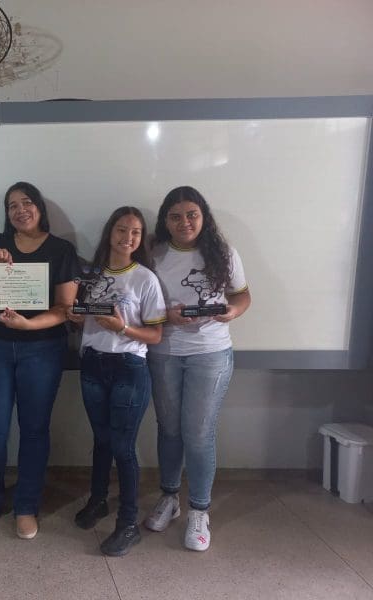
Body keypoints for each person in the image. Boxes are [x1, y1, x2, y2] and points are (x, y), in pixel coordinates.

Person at [0, 181, 79, 540]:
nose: (20, 210)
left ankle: (27, 505)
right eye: (12, 205)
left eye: (26, 202)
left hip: (43, 349)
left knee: (34, 430)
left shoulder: (62, 250)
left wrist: (30, 324)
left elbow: (65, 309)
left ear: (39, 207)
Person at [144, 186, 251, 552]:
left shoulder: (223, 253)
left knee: (199, 434)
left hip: (211, 352)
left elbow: (242, 295)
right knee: (169, 430)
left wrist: (232, 312)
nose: (184, 222)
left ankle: (199, 511)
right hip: (164, 351)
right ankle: (170, 498)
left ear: (203, 216)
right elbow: (140, 301)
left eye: (191, 214)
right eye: (175, 216)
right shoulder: (153, 253)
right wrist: (164, 316)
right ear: (165, 220)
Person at [67, 207, 166, 556]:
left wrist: (122, 328)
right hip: (93, 364)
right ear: (110, 232)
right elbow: (84, 321)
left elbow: (155, 335)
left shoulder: (145, 278)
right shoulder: (91, 276)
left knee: (123, 447)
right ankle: (98, 501)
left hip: (128, 367)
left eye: (136, 232)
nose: (128, 237)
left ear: (141, 239)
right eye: (122, 229)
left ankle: (128, 524)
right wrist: (76, 318)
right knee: (102, 441)